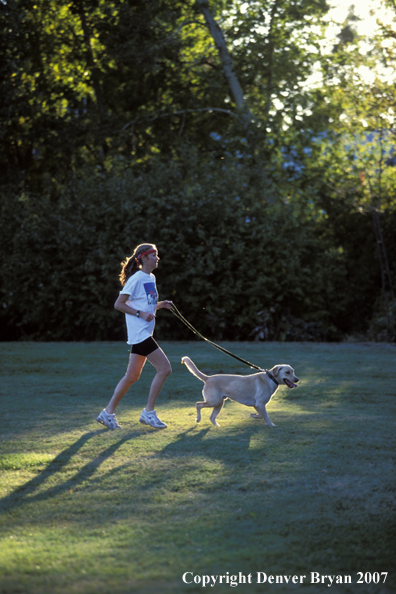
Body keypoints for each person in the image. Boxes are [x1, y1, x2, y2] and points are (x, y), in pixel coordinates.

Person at [96, 243, 172, 430]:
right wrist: (139, 314)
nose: (157, 258)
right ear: (144, 258)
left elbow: (146, 304)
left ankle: (107, 413)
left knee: (132, 376)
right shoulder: (136, 278)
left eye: (157, 255)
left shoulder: (151, 277)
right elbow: (119, 304)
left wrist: (160, 305)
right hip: (140, 334)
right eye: (154, 256)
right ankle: (148, 413)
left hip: (144, 333)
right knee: (165, 369)